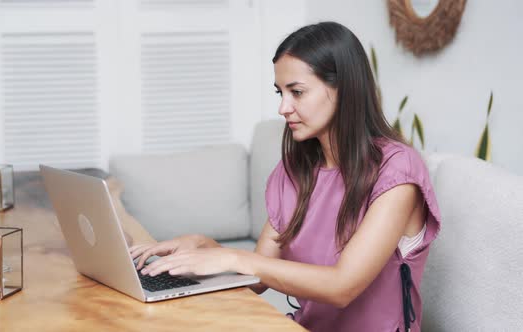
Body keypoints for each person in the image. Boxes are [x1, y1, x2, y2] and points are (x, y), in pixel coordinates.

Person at [129, 21, 441, 332]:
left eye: (297, 92)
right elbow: (256, 280)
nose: (283, 107)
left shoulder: (397, 170)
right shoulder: (296, 172)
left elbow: (342, 287)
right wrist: (201, 246)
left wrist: (233, 258)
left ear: (344, 89)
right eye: (281, 92)